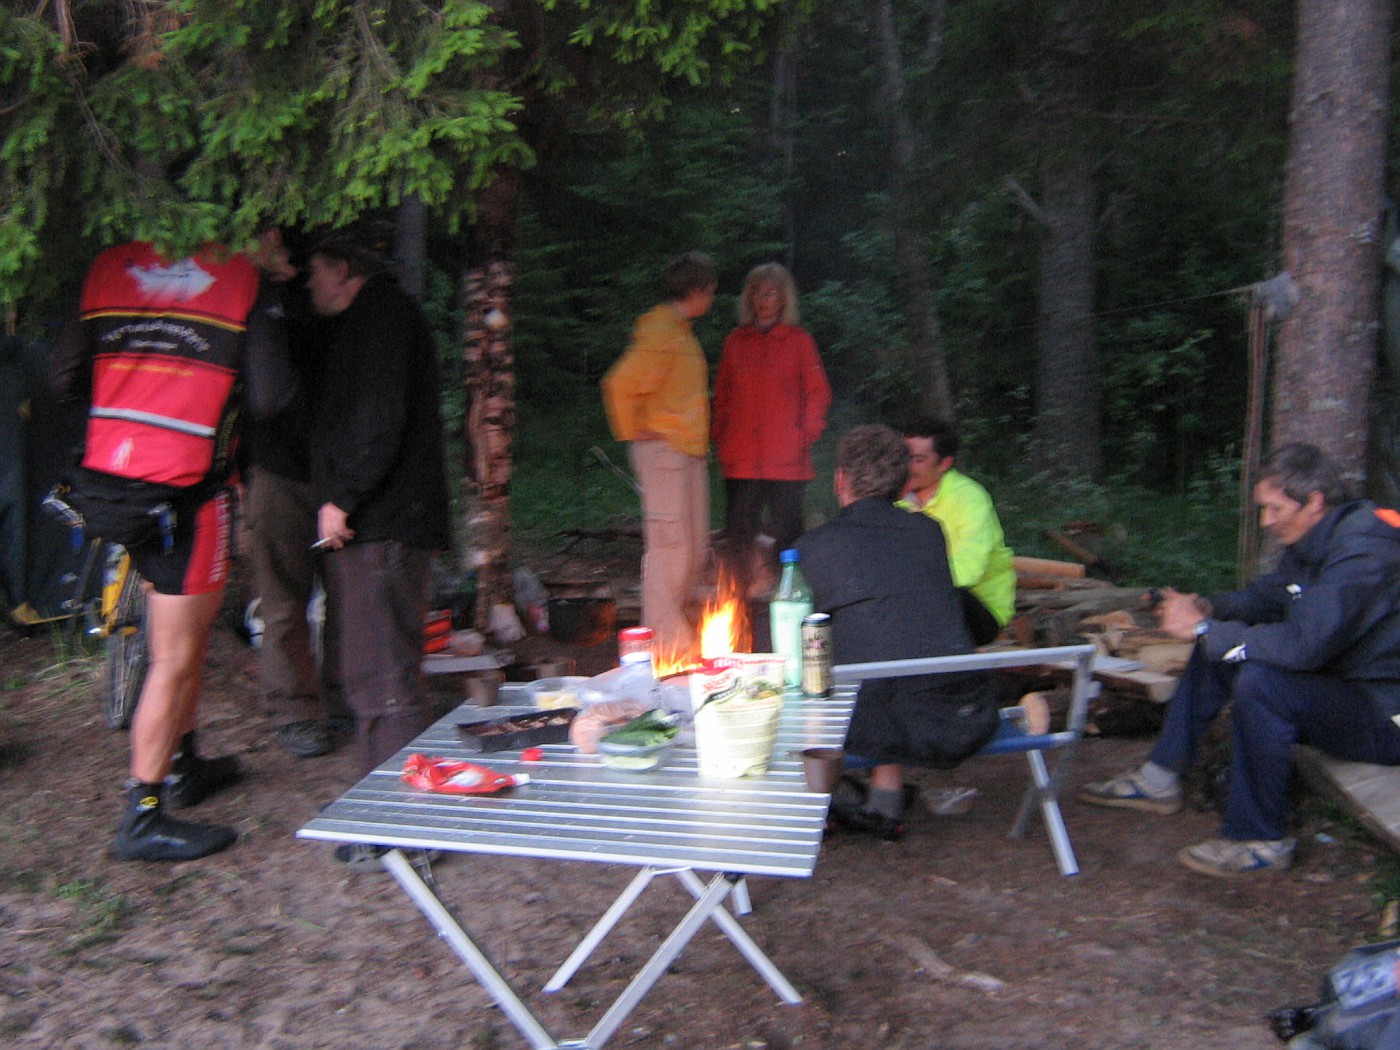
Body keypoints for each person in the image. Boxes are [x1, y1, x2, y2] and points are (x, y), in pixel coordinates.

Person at [52, 238, 293, 862]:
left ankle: (185, 764)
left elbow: (65, 377)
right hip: (189, 490)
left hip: (111, 479)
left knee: (171, 632)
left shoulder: (111, 262)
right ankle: (144, 811)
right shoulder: (241, 278)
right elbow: (271, 396)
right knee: (177, 657)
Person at [1080, 443, 1400, 876]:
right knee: (1220, 647)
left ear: (1314, 502)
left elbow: (1306, 646)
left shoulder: (1365, 551)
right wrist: (1208, 608)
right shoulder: (1320, 536)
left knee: (1260, 681)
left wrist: (1205, 628)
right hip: (1349, 688)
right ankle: (1159, 778)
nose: (1266, 522)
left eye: (1274, 509)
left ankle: (1260, 841)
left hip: (1386, 713)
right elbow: (1270, 596)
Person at [305, 221, 451, 867]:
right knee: (373, 674)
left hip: (386, 525)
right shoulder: (371, 319)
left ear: (343, 269)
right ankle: (379, 814)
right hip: (384, 523)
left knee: (385, 677)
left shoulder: (382, 320)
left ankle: (407, 831)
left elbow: (379, 418)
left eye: (315, 271)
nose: (310, 283)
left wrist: (345, 497)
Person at [797, 424, 999, 841]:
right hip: (954, 713)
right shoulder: (927, 532)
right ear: (902, 483)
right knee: (883, 637)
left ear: (840, 480)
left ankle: (811, 793)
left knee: (814, 646)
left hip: (875, 720)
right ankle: (884, 794)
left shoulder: (818, 545)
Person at [243, 229, 348, 759]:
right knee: (284, 600)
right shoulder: (248, 296)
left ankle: (343, 698)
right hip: (275, 468)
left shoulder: (326, 289)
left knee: (346, 595)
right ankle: (294, 711)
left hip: (337, 469)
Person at [601, 251, 718, 659]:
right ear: (699, 290)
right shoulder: (661, 332)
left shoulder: (680, 330)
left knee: (693, 548)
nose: (713, 297)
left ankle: (678, 639)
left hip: (686, 452)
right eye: (712, 289)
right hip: (664, 453)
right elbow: (619, 384)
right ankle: (667, 650)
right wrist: (637, 430)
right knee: (670, 550)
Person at [711, 263, 831, 600]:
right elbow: (722, 394)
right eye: (757, 292)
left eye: (772, 293)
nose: (764, 300)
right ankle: (737, 600)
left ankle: (788, 597)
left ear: (783, 299)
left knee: (789, 534)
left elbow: (818, 392)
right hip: (742, 457)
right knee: (739, 534)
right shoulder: (736, 342)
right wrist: (720, 435)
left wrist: (805, 434)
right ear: (748, 298)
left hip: (787, 458)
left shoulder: (798, 342)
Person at [897, 417, 1015, 645]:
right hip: (922, 605)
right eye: (903, 457)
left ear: (944, 464)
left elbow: (969, 571)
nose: (907, 467)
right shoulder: (895, 499)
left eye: (918, 460)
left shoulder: (970, 499)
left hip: (979, 611)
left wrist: (905, 586)